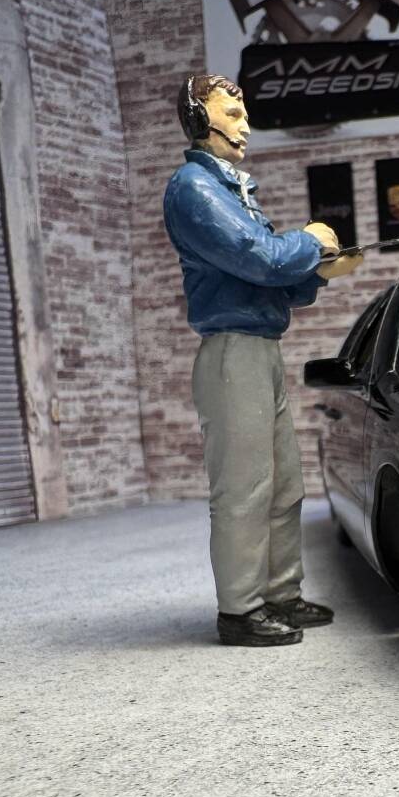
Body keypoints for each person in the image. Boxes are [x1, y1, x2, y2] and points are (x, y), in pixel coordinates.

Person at [163, 73, 363, 647]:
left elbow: (273, 281)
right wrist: (310, 240)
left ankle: (280, 593)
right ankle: (240, 608)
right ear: (199, 118)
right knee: (245, 488)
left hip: (259, 350)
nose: (245, 125)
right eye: (232, 113)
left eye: (244, 114)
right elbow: (262, 258)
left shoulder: (231, 192)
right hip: (233, 354)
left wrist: (319, 272)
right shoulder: (195, 188)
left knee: (282, 486)